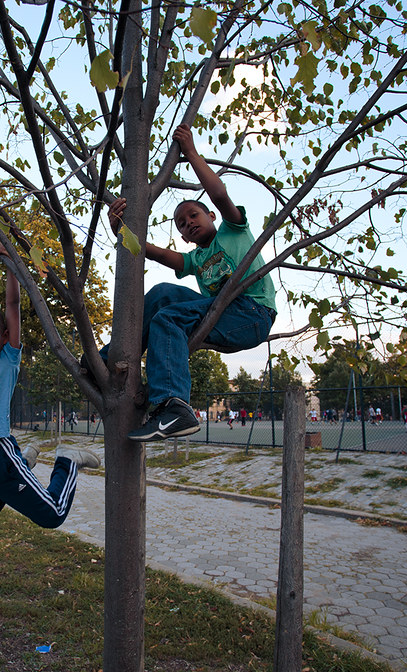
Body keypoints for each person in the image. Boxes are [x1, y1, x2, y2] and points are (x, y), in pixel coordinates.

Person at [99, 125, 278, 441]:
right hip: (223, 315)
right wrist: (122, 232)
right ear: (182, 236)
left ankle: (173, 406)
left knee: (169, 319)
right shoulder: (195, 260)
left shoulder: (233, 231)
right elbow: (154, 254)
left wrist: (191, 153)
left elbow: (220, 194)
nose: (189, 223)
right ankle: (108, 359)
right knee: (162, 294)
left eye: (194, 215)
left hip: (253, 315)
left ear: (211, 215)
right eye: (182, 223)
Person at [0, 237, 99, 530]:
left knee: (52, 514)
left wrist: (11, 264)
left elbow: (11, 304)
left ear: (6, 337)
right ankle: (26, 464)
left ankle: (67, 461)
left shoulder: (7, 359)